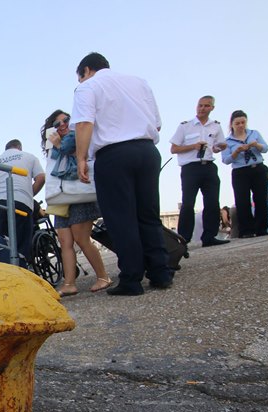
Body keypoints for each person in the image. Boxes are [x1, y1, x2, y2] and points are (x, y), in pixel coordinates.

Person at [72, 52, 172, 296]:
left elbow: (84, 123)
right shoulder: (138, 82)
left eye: (80, 77)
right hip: (147, 150)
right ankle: (160, 272)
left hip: (113, 155)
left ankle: (131, 278)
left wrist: (81, 157)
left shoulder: (87, 88)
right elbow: (157, 124)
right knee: (148, 214)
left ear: (86, 70)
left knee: (121, 218)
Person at [40, 110, 111, 296]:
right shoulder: (52, 145)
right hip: (62, 196)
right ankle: (69, 283)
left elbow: (75, 151)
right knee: (65, 241)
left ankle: (103, 276)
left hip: (79, 194)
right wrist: (54, 145)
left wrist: (58, 144)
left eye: (66, 120)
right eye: (57, 123)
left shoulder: (78, 134)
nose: (62, 124)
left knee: (81, 238)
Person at [169, 96, 229, 247]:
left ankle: (209, 236)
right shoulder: (185, 126)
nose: (202, 108)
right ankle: (183, 238)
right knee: (188, 203)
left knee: (212, 202)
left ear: (212, 108)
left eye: (206, 106)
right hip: (191, 167)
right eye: (200, 105)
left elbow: (220, 145)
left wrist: (219, 147)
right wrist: (193, 146)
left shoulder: (215, 126)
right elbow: (174, 148)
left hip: (208, 166)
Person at [0, 139, 45, 266]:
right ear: (19, 147)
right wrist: (30, 195)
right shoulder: (29, 157)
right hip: (21, 203)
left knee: (2, 244)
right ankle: (23, 271)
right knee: (21, 246)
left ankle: (7, 273)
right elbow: (41, 178)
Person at [221, 110, 268, 238]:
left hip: (258, 168)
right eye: (237, 123)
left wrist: (256, 145)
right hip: (240, 171)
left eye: (243, 122)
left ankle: (261, 228)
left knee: (260, 198)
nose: (241, 125)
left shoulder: (254, 133)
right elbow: (225, 160)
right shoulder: (227, 141)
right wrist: (236, 152)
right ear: (232, 124)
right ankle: (246, 230)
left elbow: (265, 148)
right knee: (242, 201)